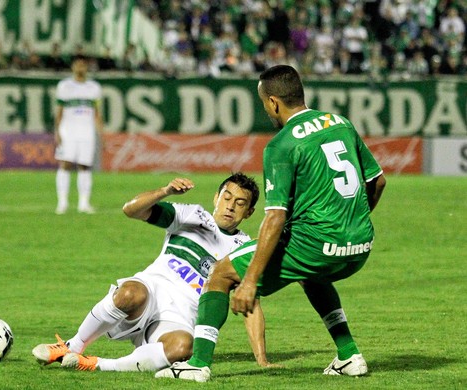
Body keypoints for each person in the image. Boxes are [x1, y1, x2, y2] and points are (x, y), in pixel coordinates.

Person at [156, 65, 387, 382]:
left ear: (274, 102)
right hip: (360, 245)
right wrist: (350, 223)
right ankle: (349, 356)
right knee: (312, 275)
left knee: (221, 274)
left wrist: (248, 281)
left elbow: (275, 216)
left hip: (317, 245)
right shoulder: (340, 123)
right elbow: (378, 181)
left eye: (264, 102)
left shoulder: (281, 145)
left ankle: (197, 364)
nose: (265, 108)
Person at [32, 173, 272, 372]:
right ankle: (72, 346)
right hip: (150, 293)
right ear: (216, 197)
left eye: (240, 203)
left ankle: (96, 365)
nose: (230, 206)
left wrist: (261, 358)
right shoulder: (192, 216)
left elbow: (253, 306)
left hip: (180, 317)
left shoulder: (244, 249)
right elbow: (131, 210)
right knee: (128, 293)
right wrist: (165, 191)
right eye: (226, 197)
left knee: (183, 348)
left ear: (249, 212)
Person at [54, 54, 104, 214]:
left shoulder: (94, 88)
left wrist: (101, 133)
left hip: (87, 131)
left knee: (85, 165)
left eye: (83, 65)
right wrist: (57, 131)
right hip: (68, 130)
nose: (80, 68)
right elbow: (59, 111)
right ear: (73, 67)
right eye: (78, 65)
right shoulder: (64, 86)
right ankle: (62, 203)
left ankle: (84, 203)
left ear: (86, 67)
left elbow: (97, 113)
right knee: (65, 164)